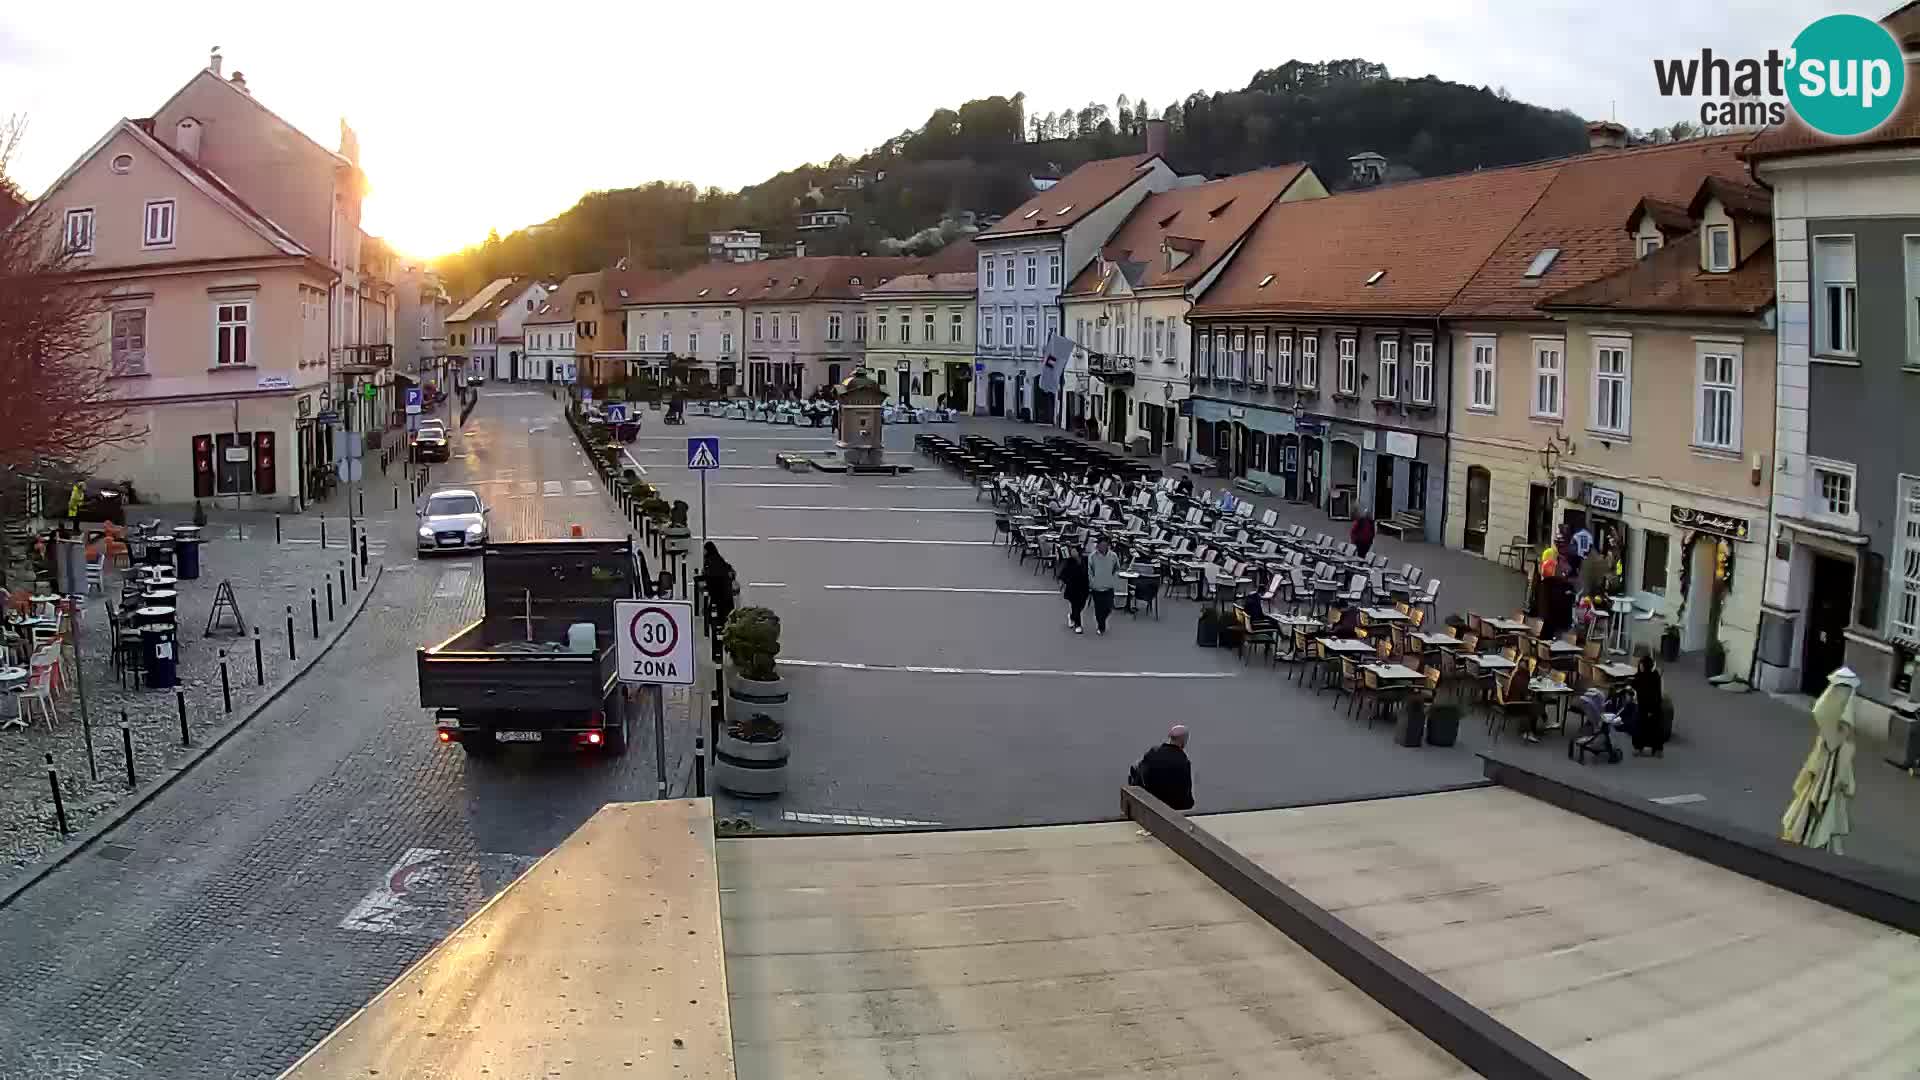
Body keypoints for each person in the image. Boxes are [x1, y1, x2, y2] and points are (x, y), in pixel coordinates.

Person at [1782, 666, 1860, 854]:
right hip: (1829, 757)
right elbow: (1825, 713)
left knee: (1816, 795)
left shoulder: (1833, 736)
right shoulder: (1839, 736)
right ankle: (1818, 843)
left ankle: (1807, 836)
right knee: (1825, 797)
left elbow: (1821, 711)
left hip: (1825, 758)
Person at [1131, 724, 1194, 811]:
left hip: (1151, 802)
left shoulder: (1152, 753)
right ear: (1183, 740)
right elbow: (1186, 791)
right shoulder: (1183, 760)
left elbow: (1138, 772)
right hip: (1172, 807)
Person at [1625, 654, 1666, 756]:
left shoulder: (1650, 677)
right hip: (1645, 707)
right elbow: (1633, 683)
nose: (1640, 667)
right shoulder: (1645, 676)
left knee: (1651, 727)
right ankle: (1642, 748)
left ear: (1646, 665)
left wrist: (1651, 711)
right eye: (1640, 665)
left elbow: (1656, 695)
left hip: (1652, 707)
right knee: (1642, 726)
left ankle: (1655, 749)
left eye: (1642, 665)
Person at [1085, 536, 1121, 635]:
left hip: (1109, 586)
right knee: (1098, 608)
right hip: (1097, 587)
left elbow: (1117, 568)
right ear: (1097, 545)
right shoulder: (1092, 556)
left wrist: (1112, 578)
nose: (1102, 547)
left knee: (1108, 608)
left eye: (1105, 545)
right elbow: (1090, 571)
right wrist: (1092, 582)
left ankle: (1102, 621)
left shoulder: (1113, 556)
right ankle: (1101, 626)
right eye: (1100, 545)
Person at [700, 542, 737, 629]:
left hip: (718, 592)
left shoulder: (709, 561)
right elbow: (729, 569)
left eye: (704, 550)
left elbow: (709, 576)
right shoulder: (719, 559)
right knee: (726, 615)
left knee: (717, 615)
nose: (703, 552)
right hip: (726, 591)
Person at [1059, 546, 1090, 634]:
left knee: (1082, 605)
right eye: (1071, 552)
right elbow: (1063, 573)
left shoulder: (1086, 560)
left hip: (1084, 586)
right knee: (1075, 605)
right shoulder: (1069, 561)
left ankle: (1072, 616)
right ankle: (1078, 625)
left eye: (1074, 551)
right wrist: (1062, 581)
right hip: (1072, 587)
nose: (1073, 553)